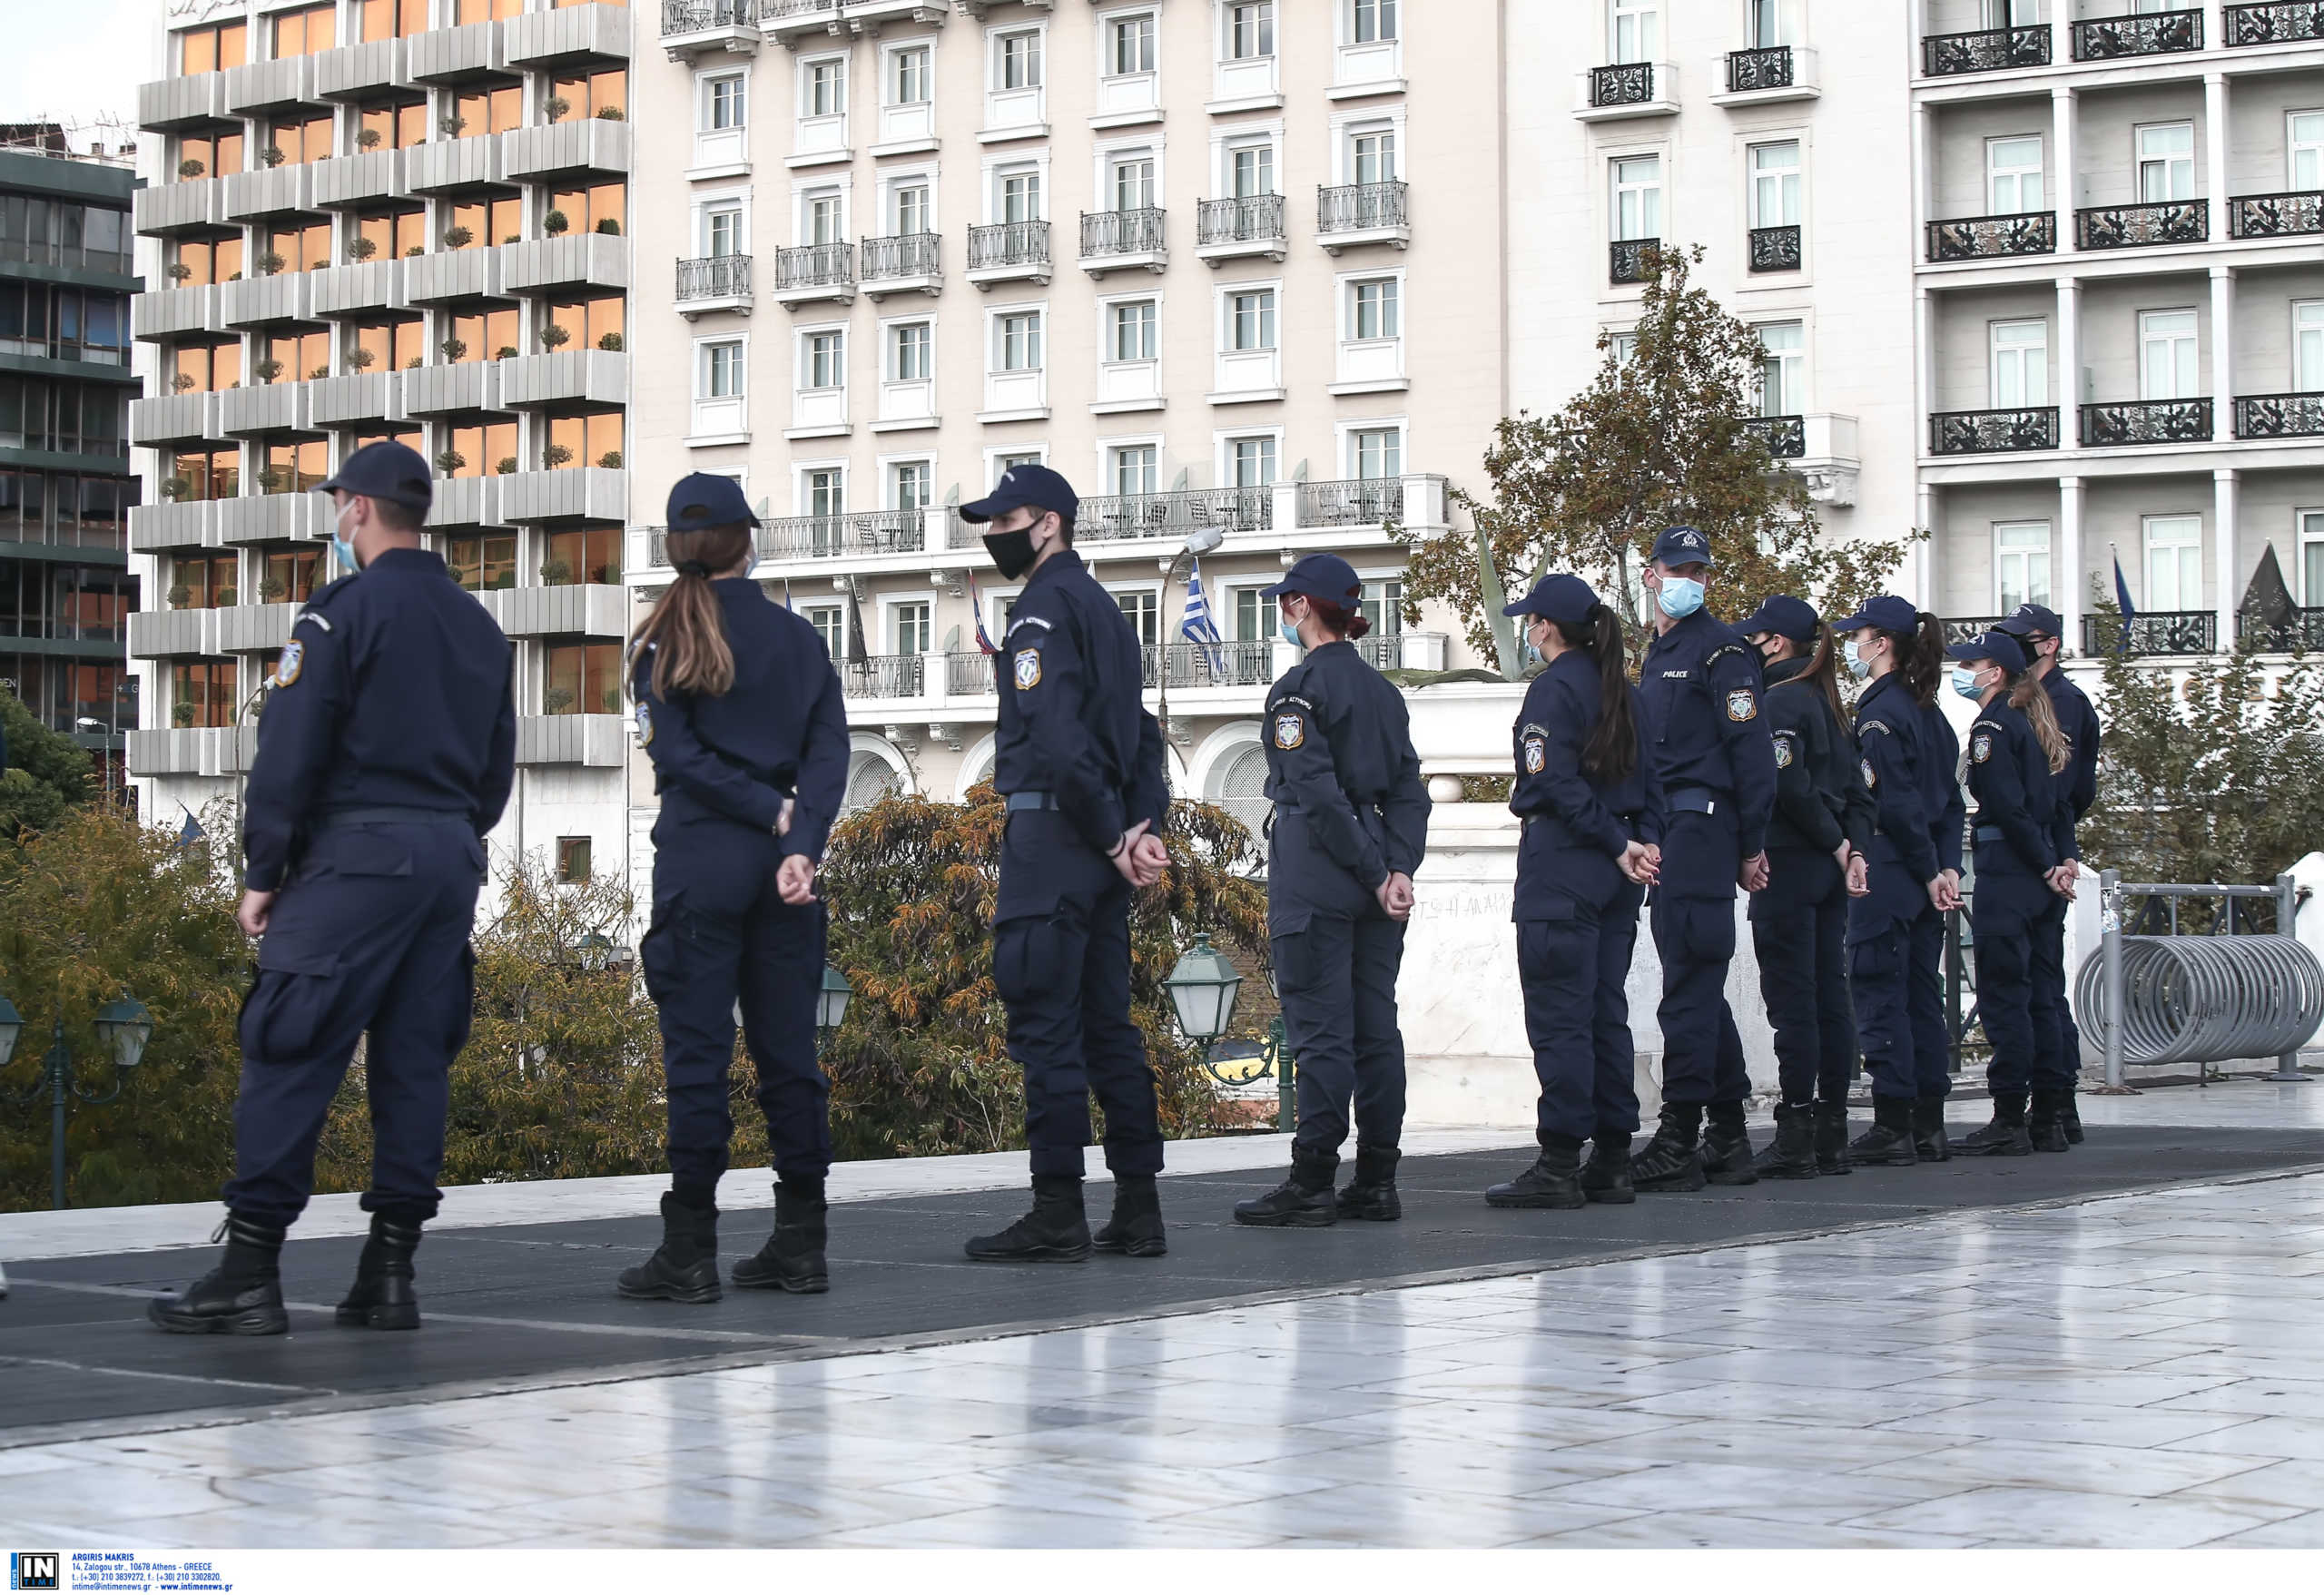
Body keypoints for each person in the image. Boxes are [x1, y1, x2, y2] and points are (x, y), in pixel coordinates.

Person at [149, 439, 515, 1337]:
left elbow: (291, 748)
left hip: (355, 859)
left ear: (355, 508)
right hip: (446, 858)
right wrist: (451, 838)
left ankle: (248, 1272)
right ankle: (389, 1275)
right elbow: (496, 768)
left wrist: (264, 869)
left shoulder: (338, 613)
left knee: (288, 1043)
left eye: (336, 505)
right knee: (414, 1057)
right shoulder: (479, 626)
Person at [615, 474, 851, 1305]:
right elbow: (831, 751)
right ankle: (802, 1242)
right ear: (748, 542)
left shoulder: (662, 643)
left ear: (678, 547)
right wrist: (801, 838)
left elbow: (676, 757)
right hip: (787, 874)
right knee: (791, 1054)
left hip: (701, 863)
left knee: (697, 1061)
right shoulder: (797, 638)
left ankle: (688, 1251)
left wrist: (760, 807)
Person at [959, 464, 1173, 1262]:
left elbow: (1056, 737)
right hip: (1102, 851)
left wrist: (1116, 833)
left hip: (1056, 841)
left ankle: (1057, 1209)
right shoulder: (1108, 612)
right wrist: (1141, 825)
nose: (993, 533)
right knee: (1108, 1027)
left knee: (1047, 1028)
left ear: (1047, 522)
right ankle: (1138, 1207)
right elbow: (1142, 734)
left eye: (1003, 518)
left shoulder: (1043, 609)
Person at [1232, 554, 1430, 1227]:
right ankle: (1377, 1177)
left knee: (1319, 1030)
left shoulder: (1297, 690)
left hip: (1318, 868)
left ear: (1301, 608)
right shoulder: (1384, 692)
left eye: (1285, 602)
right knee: (1376, 1030)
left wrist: (1375, 871)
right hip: (1377, 866)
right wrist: (1397, 868)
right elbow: (1409, 789)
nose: (1282, 613)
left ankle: (1313, 1177)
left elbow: (1313, 790)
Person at [1484, 574, 1661, 1209]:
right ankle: (1613, 1156)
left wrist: (1616, 841)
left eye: (1531, 621)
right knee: (1603, 1012)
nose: (1528, 631)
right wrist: (1640, 842)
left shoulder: (1552, 692)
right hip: (1617, 876)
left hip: (1564, 865)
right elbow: (1653, 785)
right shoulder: (1627, 693)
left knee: (1561, 1018)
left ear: (1546, 628)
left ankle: (1560, 1160)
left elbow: (1552, 784)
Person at [1630, 527, 1777, 1192]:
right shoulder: (1658, 652)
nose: (1690, 578)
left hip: (1703, 829)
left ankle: (1679, 1137)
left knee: (1686, 989)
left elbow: (1753, 758)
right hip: (1671, 828)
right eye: (1676, 567)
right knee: (1698, 985)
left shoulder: (1724, 652)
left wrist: (1750, 846)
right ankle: (1728, 1130)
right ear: (1650, 574)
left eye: (1699, 569)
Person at [1735, 596, 1873, 1179]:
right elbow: (1862, 792)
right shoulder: (1831, 704)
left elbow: (1788, 785)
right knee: (1827, 999)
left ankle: (1797, 1130)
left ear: (1775, 644)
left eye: (1755, 639)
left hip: (1793, 862)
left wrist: (1837, 844)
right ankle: (1831, 1128)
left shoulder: (1783, 701)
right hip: (1826, 866)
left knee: (1795, 1003)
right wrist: (1854, 847)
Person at [1834, 596, 1962, 1167]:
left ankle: (1894, 1122)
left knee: (1880, 993)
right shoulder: (1929, 712)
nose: (1853, 648)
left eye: (1859, 637)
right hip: (1923, 873)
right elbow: (1951, 804)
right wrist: (1945, 866)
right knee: (1920, 999)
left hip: (1890, 869)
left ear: (1881, 642)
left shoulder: (1882, 711)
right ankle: (1928, 1122)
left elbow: (1896, 802)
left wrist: (1929, 866)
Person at [1948, 629, 2076, 1157]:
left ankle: (2008, 1117)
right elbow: (2060, 803)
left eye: (1970, 663)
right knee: (2044, 996)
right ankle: (2049, 1114)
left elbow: (2004, 805)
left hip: (2010, 870)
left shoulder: (1993, 725)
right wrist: (2062, 858)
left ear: (1994, 672)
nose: (1960, 672)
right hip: (2040, 871)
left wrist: (2047, 864)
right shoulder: (2035, 721)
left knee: (2005, 997)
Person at [1996, 601, 2099, 1145]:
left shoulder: (2061, 702)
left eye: (2024, 640)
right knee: (2039, 983)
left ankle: (2054, 1104)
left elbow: (2064, 790)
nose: (2015, 651)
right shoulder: (2028, 700)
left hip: (2035, 856)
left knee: (2032, 985)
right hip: (2044, 851)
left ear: (2049, 644)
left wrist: (2049, 851)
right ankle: (2056, 1106)